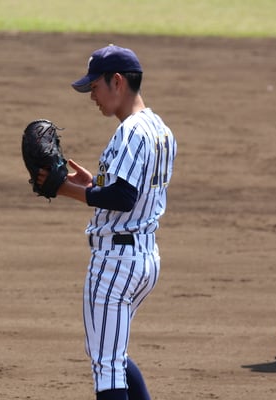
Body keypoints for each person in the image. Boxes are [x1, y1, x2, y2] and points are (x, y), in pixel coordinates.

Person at [39, 45, 177, 399]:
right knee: (111, 354)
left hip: (117, 262)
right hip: (144, 258)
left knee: (107, 365)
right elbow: (129, 191)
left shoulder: (132, 131)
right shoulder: (160, 129)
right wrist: (91, 185)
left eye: (95, 87)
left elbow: (123, 197)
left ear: (117, 81)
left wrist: (64, 189)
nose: (92, 96)